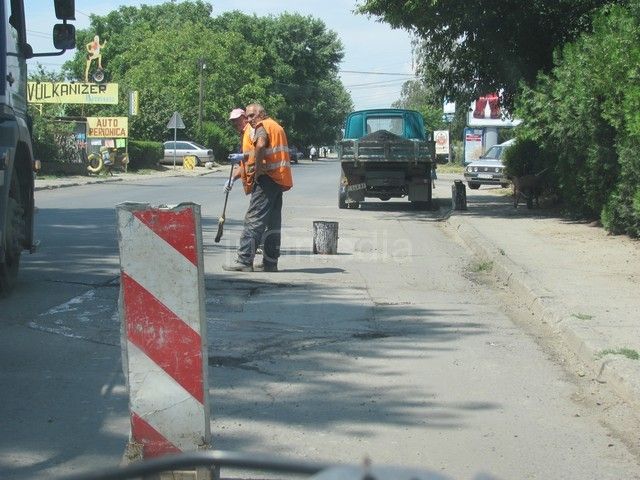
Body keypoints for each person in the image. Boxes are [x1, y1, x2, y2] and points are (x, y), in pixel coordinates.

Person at [223, 103, 293, 272]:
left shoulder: (262, 126)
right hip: (278, 179)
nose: (249, 120)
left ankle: (244, 260)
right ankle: (271, 262)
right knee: (273, 223)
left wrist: (260, 169)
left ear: (261, 114)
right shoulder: (276, 126)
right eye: (247, 116)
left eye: (251, 116)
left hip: (267, 179)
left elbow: (260, 145)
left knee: (254, 220)